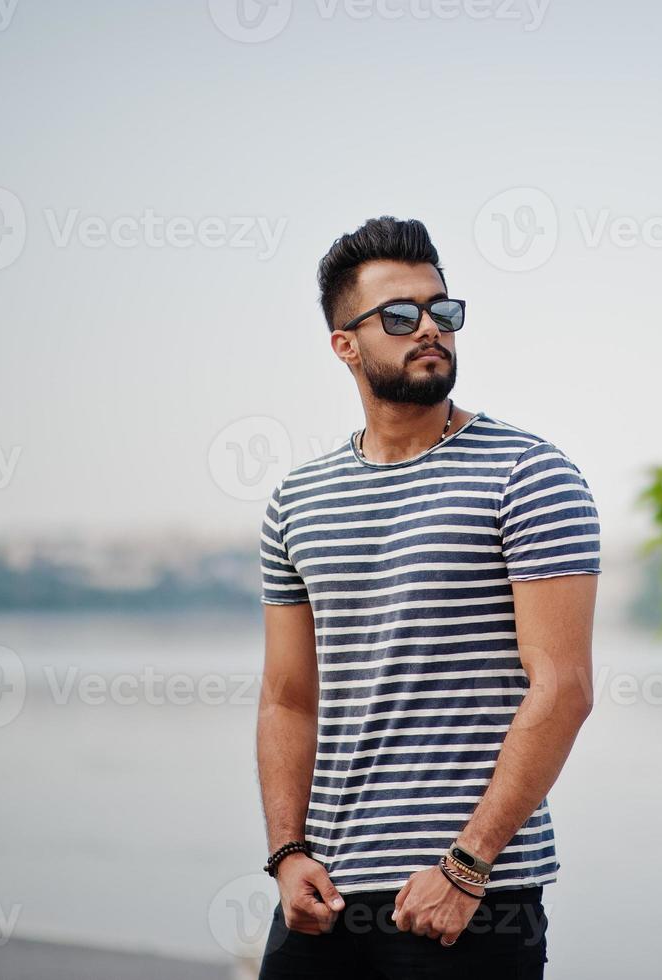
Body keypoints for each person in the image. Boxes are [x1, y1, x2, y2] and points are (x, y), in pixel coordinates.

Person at [255, 216, 601, 978]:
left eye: (442, 311)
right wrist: (285, 853)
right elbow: (287, 697)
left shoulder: (529, 475)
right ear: (344, 343)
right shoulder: (297, 500)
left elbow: (563, 688)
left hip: (469, 902)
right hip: (326, 897)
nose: (429, 331)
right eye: (400, 316)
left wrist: (465, 868)